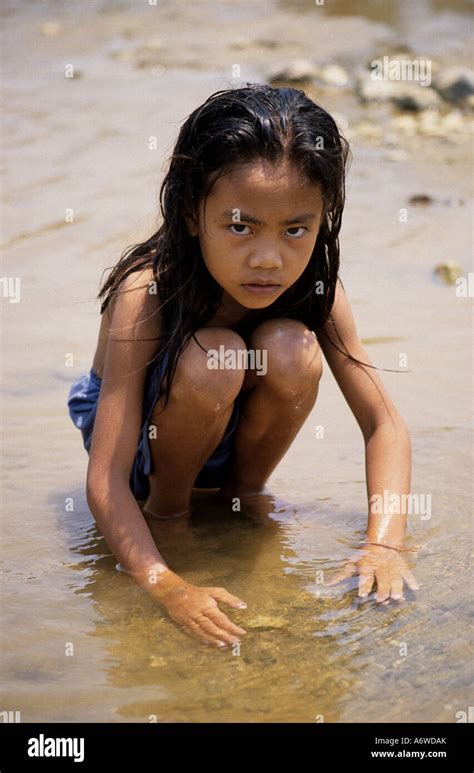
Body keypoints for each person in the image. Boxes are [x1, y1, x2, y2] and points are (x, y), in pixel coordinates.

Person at [67, 83, 419, 650]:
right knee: (218, 357)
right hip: (140, 441)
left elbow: (386, 425)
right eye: (239, 226)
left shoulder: (318, 289)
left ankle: (244, 496)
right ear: (189, 212)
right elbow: (105, 479)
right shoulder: (148, 292)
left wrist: (384, 545)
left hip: (228, 422)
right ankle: (170, 513)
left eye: (295, 230)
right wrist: (164, 583)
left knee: (289, 347)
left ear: (323, 219)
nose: (267, 258)